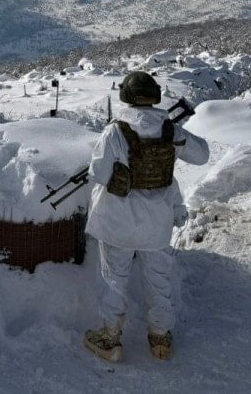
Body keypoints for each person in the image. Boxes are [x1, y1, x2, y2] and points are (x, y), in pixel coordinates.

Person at [82, 70, 209, 363]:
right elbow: (202, 155)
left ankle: (110, 337)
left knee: (114, 280)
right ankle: (160, 338)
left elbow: (98, 173)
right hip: (157, 222)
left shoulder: (115, 131)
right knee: (158, 279)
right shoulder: (170, 130)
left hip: (117, 221)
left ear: (125, 96)